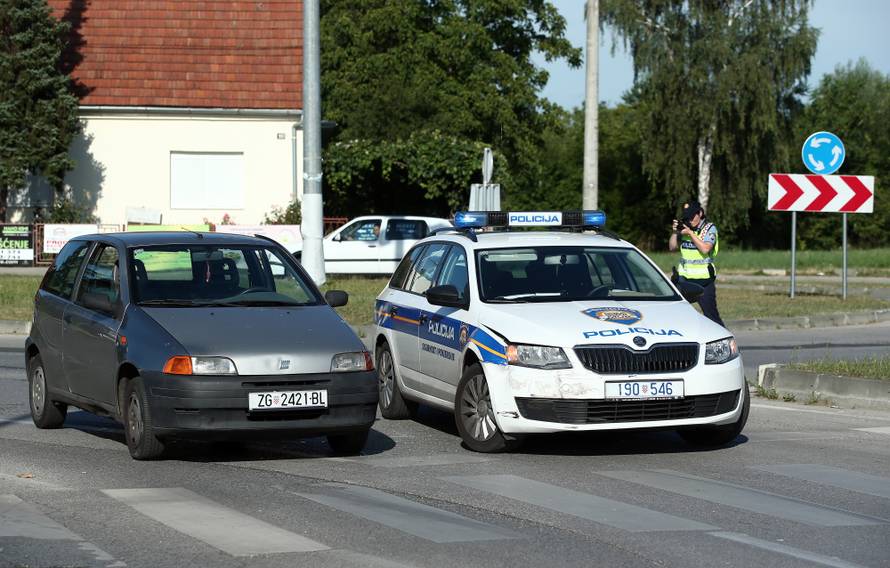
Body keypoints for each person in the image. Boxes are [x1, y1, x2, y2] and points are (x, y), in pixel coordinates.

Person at [669, 200, 725, 327]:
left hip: (704, 282)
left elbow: (705, 248)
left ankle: (726, 343)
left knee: (712, 318)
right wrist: (675, 232)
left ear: (700, 213)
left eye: (692, 216)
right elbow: (672, 248)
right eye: (687, 216)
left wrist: (690, 234)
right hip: (684, 281)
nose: (690, 219)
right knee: (676, 315)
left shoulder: (709, 229)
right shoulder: (685, 227)